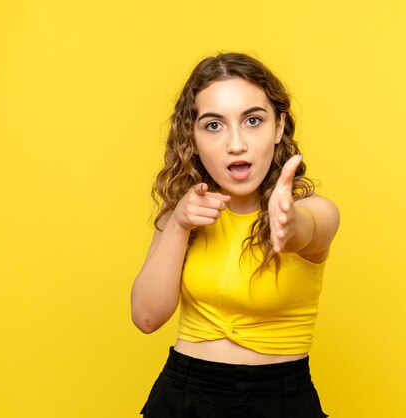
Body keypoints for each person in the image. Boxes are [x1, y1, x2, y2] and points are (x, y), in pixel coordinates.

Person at [131, 52, 340, 417]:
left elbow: (307, 230)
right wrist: (178, 224)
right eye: (214, 125)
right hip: (183, 396)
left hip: (280, 401)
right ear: (192, 138)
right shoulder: (182, 212)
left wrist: (288, 225)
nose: (236, 144)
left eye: (253, 121)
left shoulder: (314, 210)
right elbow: (146, 318)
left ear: (278, 127)